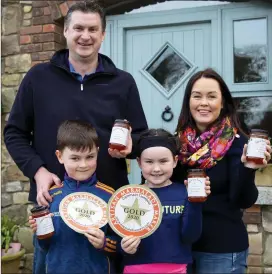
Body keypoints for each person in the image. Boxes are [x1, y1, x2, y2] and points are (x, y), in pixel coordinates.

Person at [4, 1, 147, 273]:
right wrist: (37, 171)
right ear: (66, 32)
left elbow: (140, 135)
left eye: (93, 29)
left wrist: (131, 147)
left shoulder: (123, 81)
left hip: (108, 202)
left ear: (103, 35)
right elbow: (14, 132)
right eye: (78, 28)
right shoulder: (38, 77)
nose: (86, 35)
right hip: (53, 203)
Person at [172, 68, 272, 274]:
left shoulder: (237, 143)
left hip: (221, 250)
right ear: (188, 101)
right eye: (197, 96)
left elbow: (243, 200)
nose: (203, 103)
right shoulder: (177, 143)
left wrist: (249, 168)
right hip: (179, 248)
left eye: (211, 96)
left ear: (223, 102)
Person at [29, 120, 120, 274]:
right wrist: (39, 232)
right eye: (75, 158)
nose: (83, 164)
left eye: (90, 156)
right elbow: (42, 247)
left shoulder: (111, 196)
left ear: (98, 152)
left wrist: (104, 243)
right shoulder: (50, 196)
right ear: (60, 156)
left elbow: (122, 245)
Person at [120, 129, 211, 274]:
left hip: (177, 268)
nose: (156, 168)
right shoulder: (129, 196)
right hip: (136, 267)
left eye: (163, 161)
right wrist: (123, 247)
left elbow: (191, 236)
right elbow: (118, 235)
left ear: (175, 161)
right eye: (149, 162)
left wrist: (195, 203)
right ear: (139, 162)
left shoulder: (185, 194)